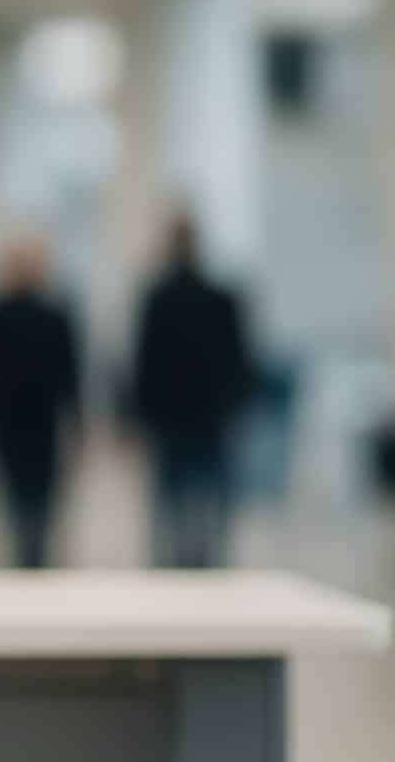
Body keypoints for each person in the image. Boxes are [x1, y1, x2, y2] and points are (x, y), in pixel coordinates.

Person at [130, 213, 254, 569]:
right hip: (210, 421)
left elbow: (144, 368)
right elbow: (240, 364)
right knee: (210, 512)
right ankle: (207, 577)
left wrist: (141, 418)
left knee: (170, 513)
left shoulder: (157, 300)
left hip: (171, 423)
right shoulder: (220, 299)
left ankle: (175, 580)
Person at [0, 238, 83, 570]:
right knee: (36, 508)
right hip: (37, 424)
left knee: (15, 508)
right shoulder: (51, 316)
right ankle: (33, 566)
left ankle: (21, 569)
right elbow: (70, 378)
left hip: (11, 423)